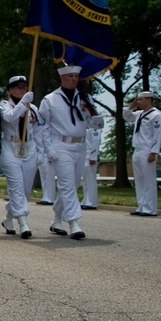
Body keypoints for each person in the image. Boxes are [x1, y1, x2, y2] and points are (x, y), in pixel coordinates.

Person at [38, 65, 104, 239]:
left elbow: (96, 125)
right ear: (62, 78)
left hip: (80, 145)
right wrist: (48, 149)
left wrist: (90, 109)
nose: (74, 79)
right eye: (70, 76)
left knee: (73, 185)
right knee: (67, 185)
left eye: (76, 76)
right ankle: (74, 222)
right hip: (60, 144)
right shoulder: (50, 99)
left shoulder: (84, 98)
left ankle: (56, 219)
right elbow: (43, 127)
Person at [0, 75, 43, 239]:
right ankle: (23, 223)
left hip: (29, 148)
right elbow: (10, 117)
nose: (21, 90)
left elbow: (38, 131)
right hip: (10, 148)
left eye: (24, 87)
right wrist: (23, 103)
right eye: (17, 87)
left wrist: (41, 152)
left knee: (25, 191)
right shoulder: (4, 105)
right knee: (16, 187)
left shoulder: (33, 109)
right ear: (10, 90)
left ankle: (8, 219)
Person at [123, 91, 161, 217]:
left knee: (148, 180)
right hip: (137, 149)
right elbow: (126, 116)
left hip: (148, 149)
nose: (138, 102)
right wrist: (131, 107)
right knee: (139, 180)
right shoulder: (139, 114)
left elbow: (157, 136)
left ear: (148, 100)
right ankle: (141, 206)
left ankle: (150, 208)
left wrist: (154, 152)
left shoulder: (157, 115)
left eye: (140, 100)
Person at [80, 122, 101, 210]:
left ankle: (91, 202)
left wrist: (93, 157)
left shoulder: (94, 126)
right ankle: (86, 200)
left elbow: (95, 141)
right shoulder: (85, 125)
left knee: (90, 180)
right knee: (85, 180)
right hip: (84, 155)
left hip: (90, 156)